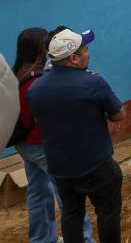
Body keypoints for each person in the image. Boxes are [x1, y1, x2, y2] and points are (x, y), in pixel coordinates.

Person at [27, 28, 126, 243]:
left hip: (61, 167)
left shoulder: (35, 89)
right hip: (96, 165)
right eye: (85, 50)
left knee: (71, 214)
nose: (88, 53)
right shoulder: (93, 83)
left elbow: (38, 120)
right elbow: (119, 114)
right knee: (107, 214)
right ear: (73, 58)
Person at [12, 27, 94, 243]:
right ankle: (84, 239)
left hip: (24, 144)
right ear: (42, 48)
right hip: (43, 144)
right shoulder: (38, 79)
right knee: (69, 195)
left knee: (38, 191)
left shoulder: (17, 73)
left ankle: (41, 238)